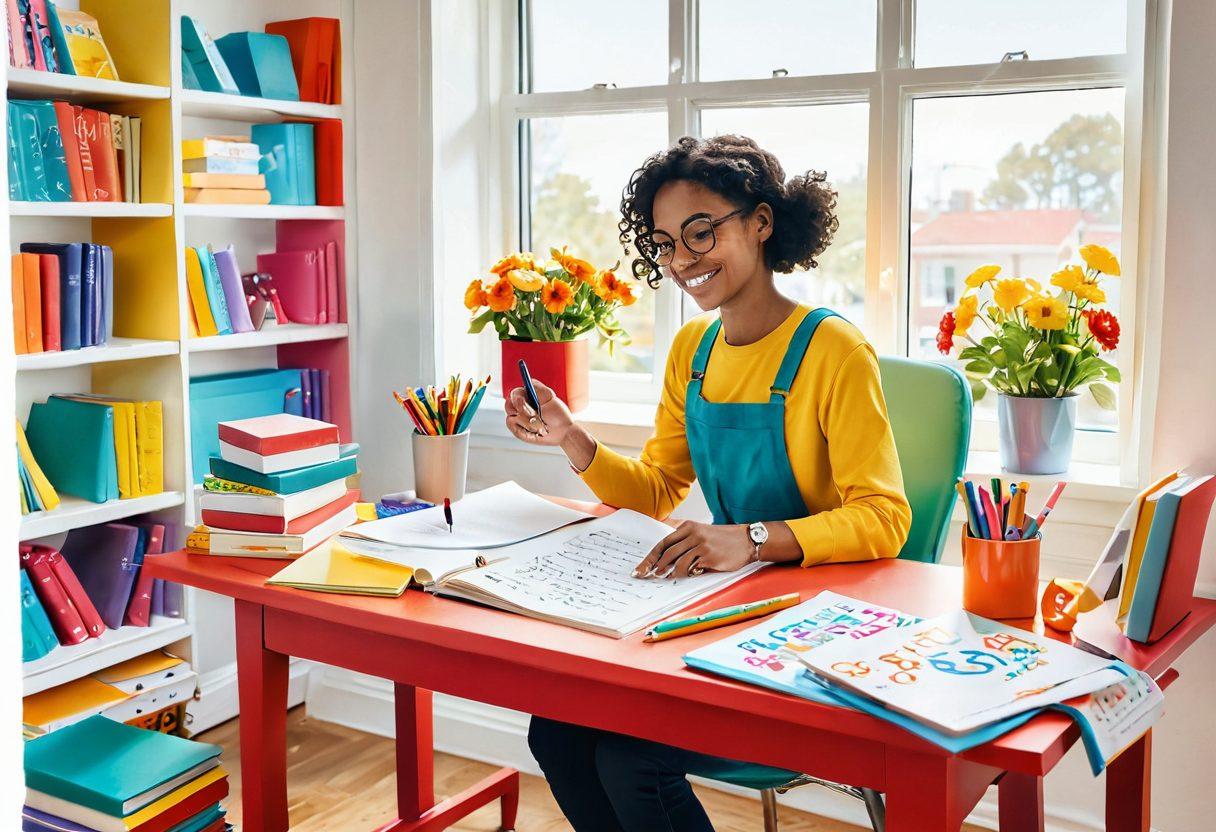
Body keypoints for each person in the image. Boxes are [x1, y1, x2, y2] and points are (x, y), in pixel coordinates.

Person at [504, 134, 911, 832]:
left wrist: (748, 539)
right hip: (727, 608)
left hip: (819, 627)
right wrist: (572, 438)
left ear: (761, 222)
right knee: (558, 730)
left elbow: (884, 518)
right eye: (665, 244)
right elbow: (658, 488)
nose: (682, 260)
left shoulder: (835, 350)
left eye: (701, 232)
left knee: (632, 757)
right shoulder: (692, 351)